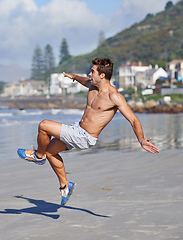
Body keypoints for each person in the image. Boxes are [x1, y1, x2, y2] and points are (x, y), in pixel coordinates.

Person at [17, 57, 159, 206]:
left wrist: (141, 140)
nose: (89, 74)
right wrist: (73, 77)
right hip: (76, 129)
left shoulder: (114, 96)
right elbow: (82, 80)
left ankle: (38, 156)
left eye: (92, 72)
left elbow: (133, 119)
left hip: (85, 137)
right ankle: (65, 186)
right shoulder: (92, 86)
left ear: (102, 75)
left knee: (44, 125)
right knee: (51, 152)